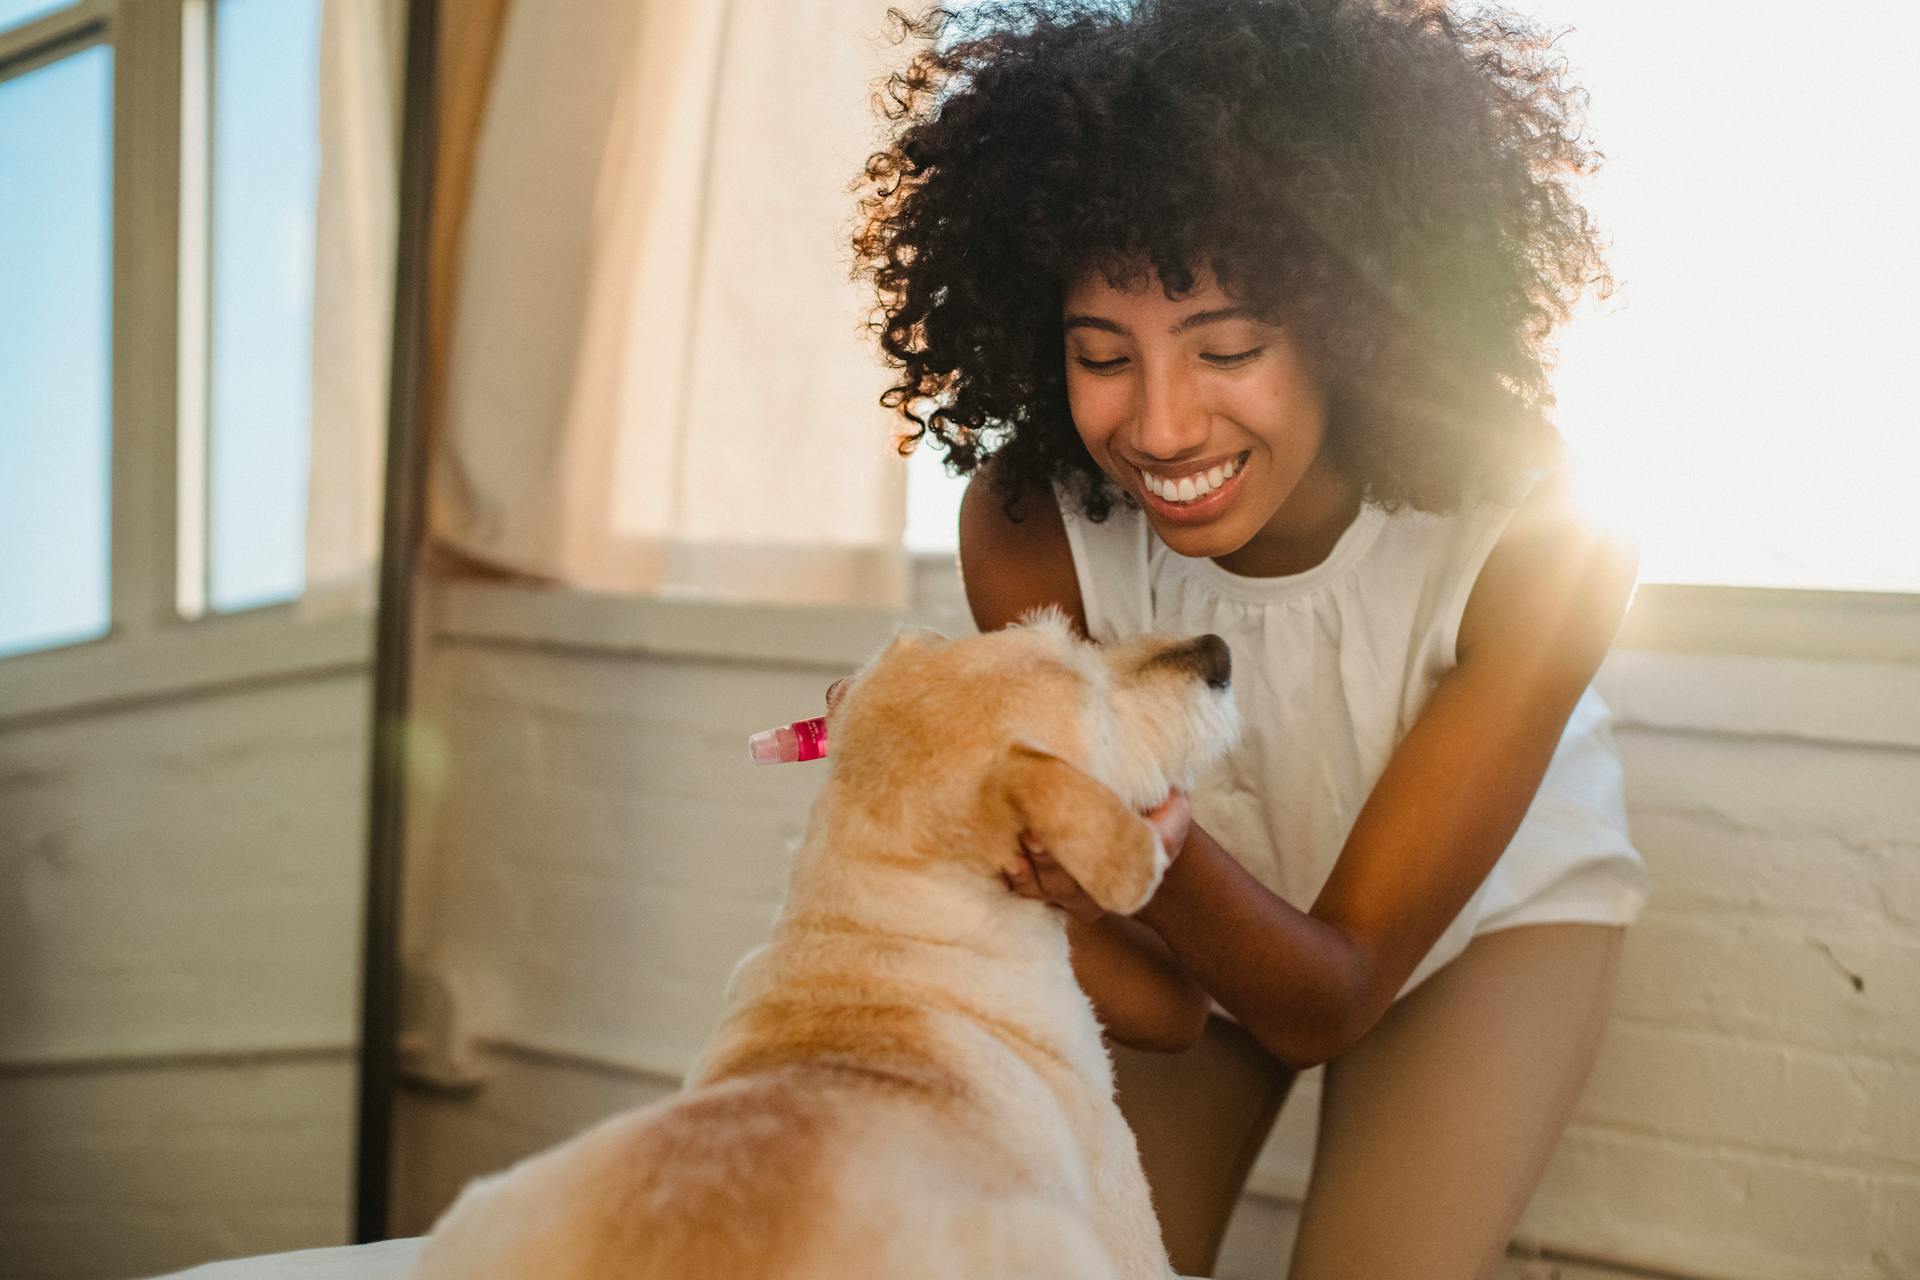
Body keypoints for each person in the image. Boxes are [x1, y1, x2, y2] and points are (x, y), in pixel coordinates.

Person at [851, 2, 1647, 1276]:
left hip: (1466, 934)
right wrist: (969, 832)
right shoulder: (1029, 525)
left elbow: (1330, 992)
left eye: (1228, 348)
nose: (1161, 427)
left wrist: (1124, 841)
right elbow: (1168, 1008)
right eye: (1101, 355)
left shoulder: (1544, 543)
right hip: (1195, 918)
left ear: (1354, 326)